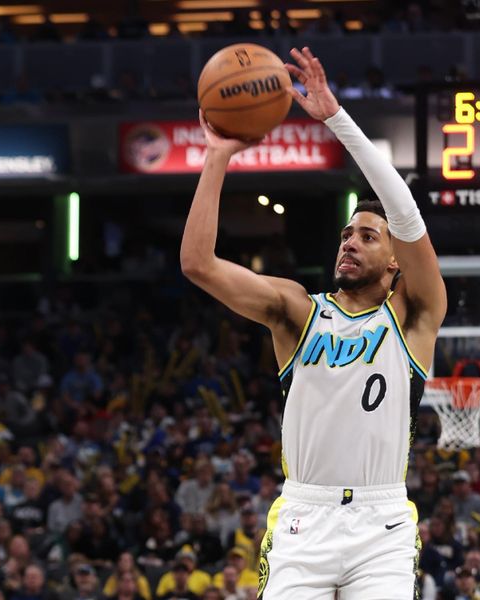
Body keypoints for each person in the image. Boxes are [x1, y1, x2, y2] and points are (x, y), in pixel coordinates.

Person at [181, 45, 447, 599]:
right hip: (304, 516)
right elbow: (197, 265)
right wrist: (217, 157)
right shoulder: (298, 311)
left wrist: (335, 120)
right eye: (346, 234)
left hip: (382, 523)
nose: (350, 242)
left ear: (396, 260)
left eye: (367, 237)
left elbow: (408, 215)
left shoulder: (416, 316)